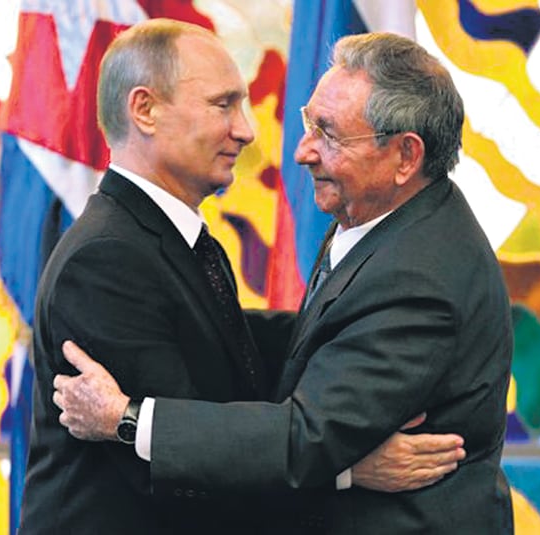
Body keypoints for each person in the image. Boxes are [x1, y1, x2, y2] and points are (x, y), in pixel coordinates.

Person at [54, 31, 515, 533]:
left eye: (330, 134)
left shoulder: (418, 272)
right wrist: (347, 469)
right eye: (308, 124)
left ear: (405, 157)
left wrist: (126, 418)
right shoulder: (389, 219)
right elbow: (321, 335)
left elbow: (309, 437)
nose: (301, 152)